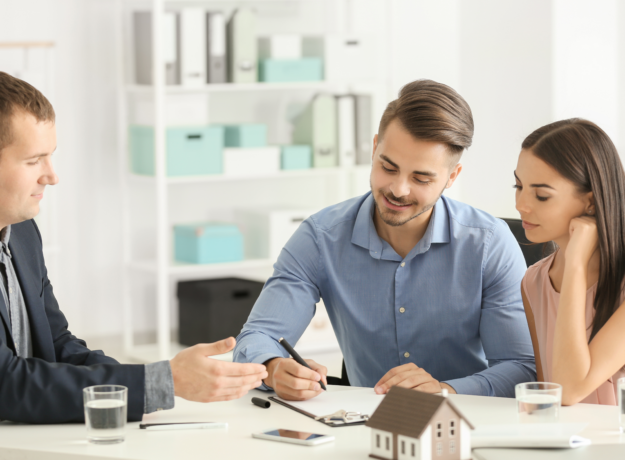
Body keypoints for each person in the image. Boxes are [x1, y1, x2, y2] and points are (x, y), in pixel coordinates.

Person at [234, 79, 536, 401]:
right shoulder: (321, 237)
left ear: (452, 177)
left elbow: (521, 368)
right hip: (365, 427)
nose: (398, 189)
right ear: (375, 146)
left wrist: (446, 390)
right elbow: (258, 337)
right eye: (388, 167)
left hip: (467, 424)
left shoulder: (489, 244)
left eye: (421, 178)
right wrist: (274, 367)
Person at [0, 71, 267, 424]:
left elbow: (58, 344)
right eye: (33, 161)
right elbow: (7, 384)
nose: (52, 175)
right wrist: (161, 382)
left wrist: (155, 381)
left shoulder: (21, 233)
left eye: (50, 157)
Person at [515, 118, 625, 405]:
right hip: (566, 447)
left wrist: (575, 262)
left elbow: (570, 388)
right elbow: (547, 397)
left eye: (541, 195)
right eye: (518, 186)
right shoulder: (534, 281)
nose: (520, 205)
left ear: (590, 202)